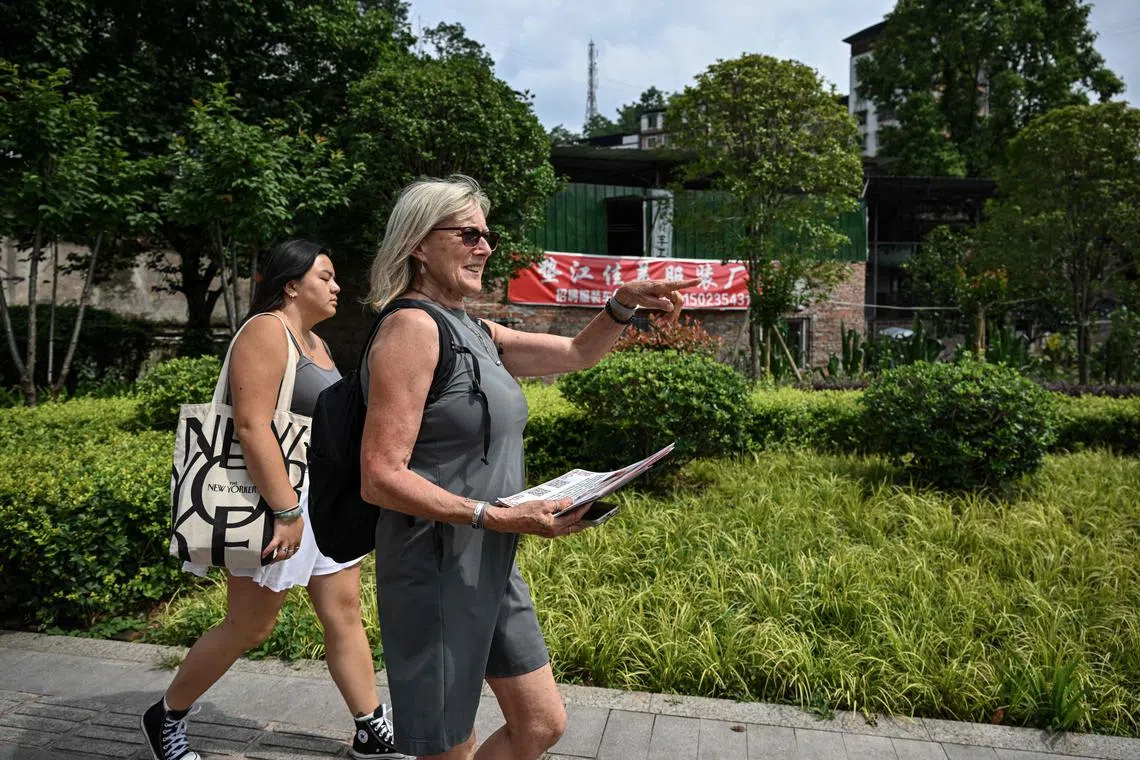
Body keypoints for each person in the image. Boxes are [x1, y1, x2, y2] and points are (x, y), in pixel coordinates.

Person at [359, 175, 696, 760]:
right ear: (418, 243)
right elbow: (379, 474)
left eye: (486, 234)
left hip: (493, 553)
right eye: (467, 234)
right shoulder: (411, 328)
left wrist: (623, 303)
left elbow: (576, 354)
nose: (484, 246)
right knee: (448, 749)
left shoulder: (476, 330)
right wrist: (492, 515)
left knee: (540, 723)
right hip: (437, 566)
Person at [141, 240, 404, 760]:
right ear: (291, 284)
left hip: (323, 500)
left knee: (344, 612)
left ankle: (369, 727)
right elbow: (251, 425)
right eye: (325, 277)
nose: (337, 287)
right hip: (274, 502)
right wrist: (286, 511)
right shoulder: (266, 331)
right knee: (251, 625)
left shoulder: (316, 343)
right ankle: (166, 715)